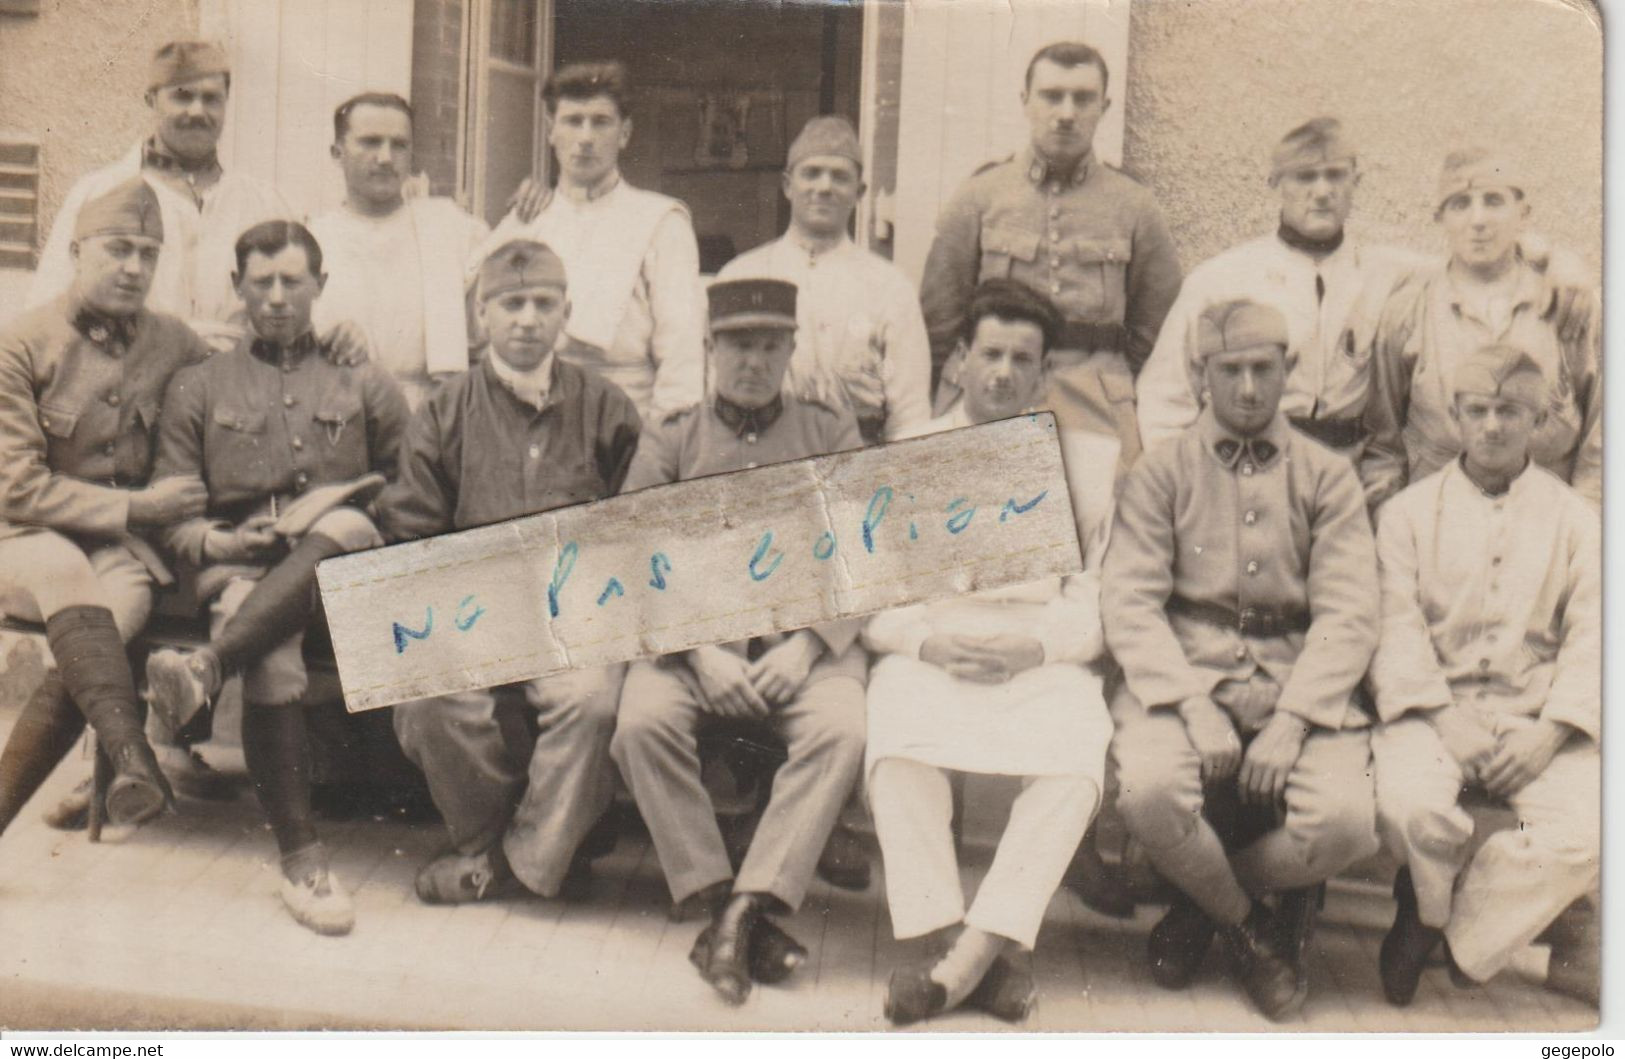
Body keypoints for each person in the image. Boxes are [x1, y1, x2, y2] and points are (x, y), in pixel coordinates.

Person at [1103, 298, 1380, 1021]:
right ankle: (1251, 926)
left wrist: (1293, 719)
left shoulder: (1327, 475)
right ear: (1201, 376)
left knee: (1349, 820)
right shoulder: (1162, 471)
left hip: (1299, 678)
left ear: (1287, 369)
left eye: (1264, 368)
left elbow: (1351, 610)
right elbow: (1129, 602)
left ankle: (1201, 905)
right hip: (1185, 674)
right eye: (1231, 371)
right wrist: (1190, 704)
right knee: (1147, 791)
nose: (1249, 387)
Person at [141, 221, 408, 936]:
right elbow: (173, 512)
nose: (279, 297)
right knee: (270, 652)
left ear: (321, 285)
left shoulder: (362, 376)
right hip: (242, 570)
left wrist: (362, 506)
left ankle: (205, 666)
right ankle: (302, 859)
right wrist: (220, 536)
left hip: (349, 577)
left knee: (347, 525)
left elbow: (410, 486)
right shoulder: (198, 385)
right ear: (237, 288)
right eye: (262, 282)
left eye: (294, 280)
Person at [611, 279, 867, 1006]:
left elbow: (867, 549)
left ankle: (740, 911)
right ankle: (728, 903)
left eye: (767, 345)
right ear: (708, 350)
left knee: (842, 729)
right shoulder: (673, 435)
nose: (752, 360)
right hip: (695, 649)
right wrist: (696, 651)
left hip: (801, 647)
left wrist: (813, 645)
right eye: (736, 344)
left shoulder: (829, 432)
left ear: (790, 350)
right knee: (640, 724)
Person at [866, 280, 1114, 1025]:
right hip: (931, 647)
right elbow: (875, 598)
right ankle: (969, 946)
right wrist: (927, 641)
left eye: (1021, 358)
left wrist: (1033, 646)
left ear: (1043, 374)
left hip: (1037, 656)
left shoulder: (1089, 460)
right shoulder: (908, 452)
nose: (1003, 372)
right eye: (990, 354)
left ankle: (961, 961)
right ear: (958, 361)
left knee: (1076, 757)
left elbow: (1094, 600)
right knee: (894, 745)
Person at [382, 239, 642, 908]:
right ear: (481, 316)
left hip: (576, 614)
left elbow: (637, 525)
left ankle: (516, 864)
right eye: (511, 304)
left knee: (592, 703)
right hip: (474, 608)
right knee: (427, 695)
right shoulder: (444, 410)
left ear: (566, 314)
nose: (527, 319)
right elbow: (411, 532)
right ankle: (496, 841)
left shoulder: (607, 406)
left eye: (542, 304)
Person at [1369, 344, 1599, 1007]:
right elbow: (1395, 624)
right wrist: (1442, 717)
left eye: (1508, 411)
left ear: (1536, 421)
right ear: (1455, 417)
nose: (1492, 426)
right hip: (1433, 708)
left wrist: (1551, 731)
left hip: (1537, 715)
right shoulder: (1407, 514)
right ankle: (1427, 904)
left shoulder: (1574, 520)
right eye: (1477, 410)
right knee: (1407, 805)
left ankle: (1460, 932)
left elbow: (1594, 635)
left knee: (1594, 827)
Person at [0, 179, 209, 841]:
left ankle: (127, 762)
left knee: (118, 616)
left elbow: (235, 384)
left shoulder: (174, 340)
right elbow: (15, 486)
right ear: (76, 250)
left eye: (148, 253)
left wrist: (333, 341)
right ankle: (132, 753)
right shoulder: (20, 342)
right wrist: (139, 505)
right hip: (24, 535)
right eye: (118, 249)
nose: (134, 267)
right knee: (67, 576)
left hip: (120, 551)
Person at [919, 40, 1181, 479]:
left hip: (1095, 400)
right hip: (992, 396)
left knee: (1096, 523)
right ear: (1025, 102)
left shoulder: (1135, 206)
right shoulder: (981, 196)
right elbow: (940, 321)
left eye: (1082, 98)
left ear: (1105, 106)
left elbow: (1159, 332)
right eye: (1051, 95)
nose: (1066, 112)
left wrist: (1115, 382)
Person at [1136, 118, 1425, 454]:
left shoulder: (1387, 272)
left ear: (1355, 182)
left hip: (1347, 469)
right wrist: (1186, 484)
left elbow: (1460, 276)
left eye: (1335, 175)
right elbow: (1166, 393)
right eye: (1305, 177)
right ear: (1275, 183)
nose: (1321, 191)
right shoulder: (1222, 278)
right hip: (1251, 462)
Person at [1361, 147, 1601, 511]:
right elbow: (1382, 443)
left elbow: (1605, 430)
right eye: (1460, 204)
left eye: (1493, 201)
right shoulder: (1408, 311)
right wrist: (1391, 527)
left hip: (1549, 521)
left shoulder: (1569, 305)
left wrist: (1585, 528)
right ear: (1440, 217)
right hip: (1442, 523)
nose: (1478, 220)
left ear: (1523, 214)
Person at [29, 41, 291, 353]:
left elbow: (299, 305)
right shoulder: (100, 192)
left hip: (237, 382)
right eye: (183, 97)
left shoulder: (263, 203)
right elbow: (48, 313)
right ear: (151, 100)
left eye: (211, 99)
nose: (197, 111)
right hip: (128, 377)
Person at [492, 61, 705, 420]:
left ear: (624, 133)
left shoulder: (660, 222)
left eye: (601, 122)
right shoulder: (526, 219)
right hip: (529, 417)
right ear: (551, 130)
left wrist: (660, 451)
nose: (586, 137)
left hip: (624, 418)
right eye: (573, 121)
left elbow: (681, 353)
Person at [717, 115, 931, 444]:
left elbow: (910, 416)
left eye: (839, 177)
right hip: (760, 455)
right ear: (788, 185)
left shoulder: (890, 287)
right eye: (812, 173)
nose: (824, 187)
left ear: (859, 192)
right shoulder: (742, 275)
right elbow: (711, 395)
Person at [309, 92, 491, 409]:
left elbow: (493, 328)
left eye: (399, 144)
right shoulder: (314, 239)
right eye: (370, 142)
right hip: (341, 413)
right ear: (337, 153)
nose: (385, 157)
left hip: (432, 414)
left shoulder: (452, 230)